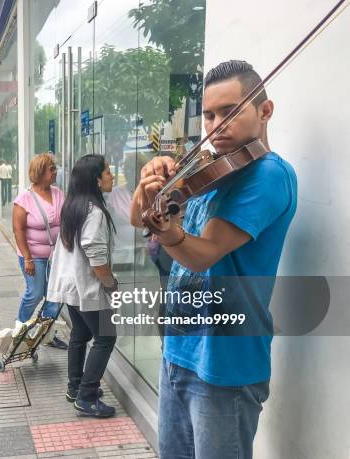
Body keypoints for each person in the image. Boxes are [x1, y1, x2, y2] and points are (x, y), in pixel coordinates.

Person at [129, 60, 297, 458]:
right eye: (208, 114)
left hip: (225, 367)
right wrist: (148, 187)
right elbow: (139, 219)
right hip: (178, 353)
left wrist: (167, 230)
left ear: (265, 111)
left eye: (230, 112)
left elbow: (202, 254)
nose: (216, 126)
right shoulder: (209, 168)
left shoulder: (268, 175)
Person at [47, 154, 118, 418]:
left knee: (80, 333)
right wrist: (110, 284)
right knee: (106, 337)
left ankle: (75, 387)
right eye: (108, 172)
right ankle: (86, 396)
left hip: (69, 286)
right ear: (96, 180)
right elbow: (96, 255)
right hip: (86, 287)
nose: (111, 176)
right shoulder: (95, 212)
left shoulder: (73, 205)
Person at [12, 153, 67, 350]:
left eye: (54, 169)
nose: (55, 172)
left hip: (56, 255)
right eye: (51, 169)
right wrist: (27, 258)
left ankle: (47, 334)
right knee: (35, 293)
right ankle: (19, 329)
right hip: (32, 255)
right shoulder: (24, 199)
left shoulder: (59, 193)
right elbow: (18, 230)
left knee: (54, 297)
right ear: (40, 172)